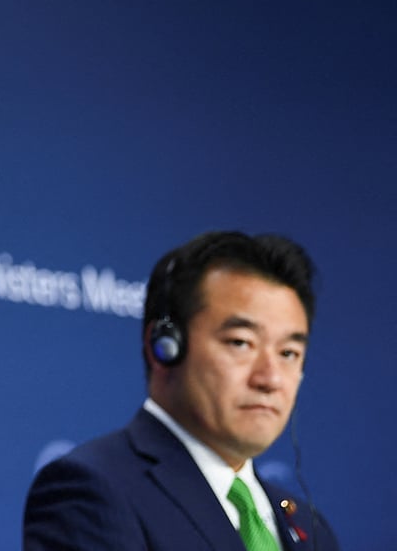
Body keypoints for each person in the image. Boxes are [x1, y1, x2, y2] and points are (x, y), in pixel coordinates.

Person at [23, 231, 339, 550]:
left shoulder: (310, 529)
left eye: (288, 353)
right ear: (164, 347)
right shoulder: (92, 491)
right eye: (241, 343)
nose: (270, 379)